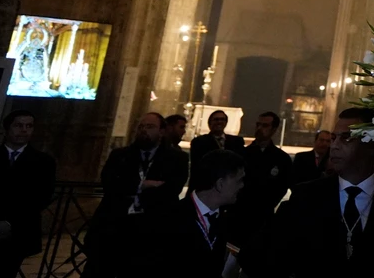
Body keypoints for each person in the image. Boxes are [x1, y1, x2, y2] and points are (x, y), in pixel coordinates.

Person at [254, 108, 374, 277]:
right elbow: (260, 256)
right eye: (334, 138)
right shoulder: (306, 196)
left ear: (372, 144)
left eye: (346, 138)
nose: (334, 146)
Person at [87, 112, 184, 276]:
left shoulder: (177, 159)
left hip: (152, 230)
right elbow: (109, 183)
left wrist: (128, 188)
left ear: (161, 131)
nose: (144, 130)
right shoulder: (120, 155)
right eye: (141, 127)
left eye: (150, 126)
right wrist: (141, 185)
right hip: (114, 226)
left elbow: (171, 189)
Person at [149, 148, 244, 277]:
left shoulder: (226, 219)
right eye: (239, 181)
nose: (242, 186)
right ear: (220, 184)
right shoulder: (169, 217)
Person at [0, 111, 55, 278]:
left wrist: (10, 223)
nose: (24, 130)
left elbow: (42, 196)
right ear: (7, 128)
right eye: (18, 125)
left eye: (29, 126)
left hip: (20, 230)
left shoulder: (43, 161)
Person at [238, 113, 292, 238]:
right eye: (258, 124)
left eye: (265, 125)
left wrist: (268, 203)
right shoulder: (242, 154)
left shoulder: (282, 159)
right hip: (240, 212)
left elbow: (283, 185)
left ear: (274, 129)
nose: (259, 128)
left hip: (264, 214)